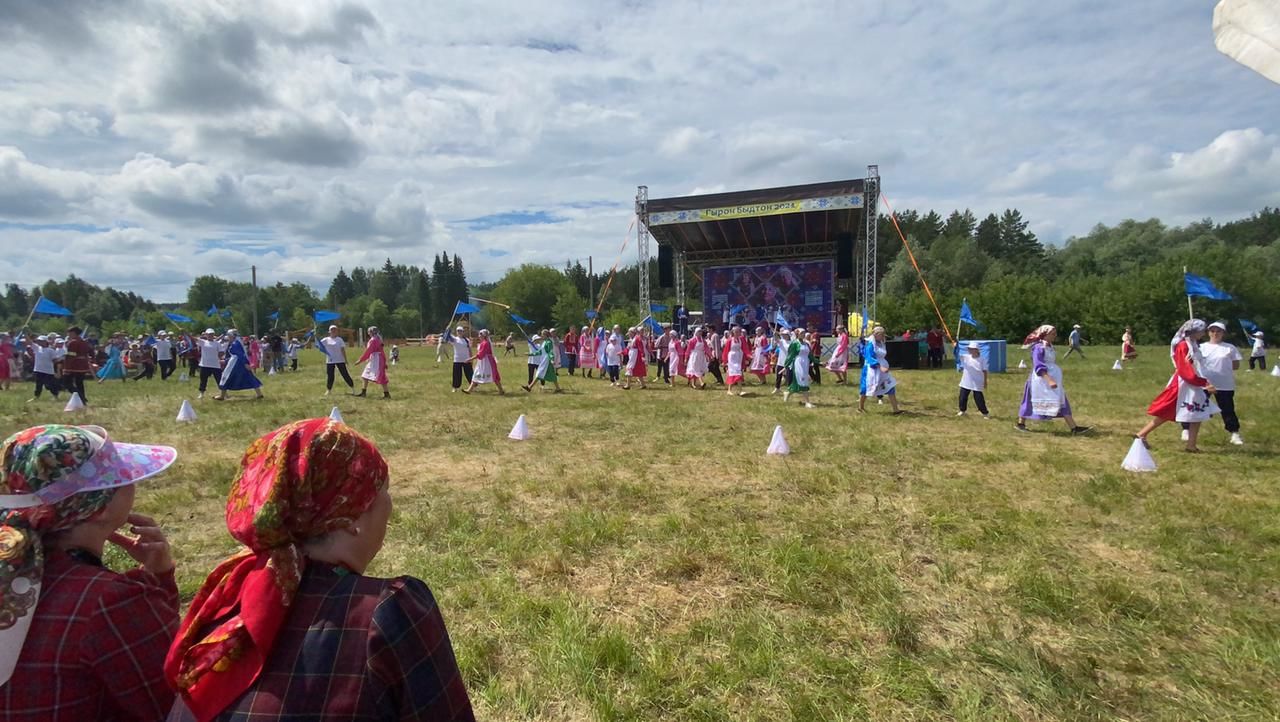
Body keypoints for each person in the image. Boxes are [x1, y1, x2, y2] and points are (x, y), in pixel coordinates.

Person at [164, 419, 474, 721]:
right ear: (351, 515)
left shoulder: (228, 598)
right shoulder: (387, 612)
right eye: (383, 490)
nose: (389, 505)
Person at [0, 423, 179, 721]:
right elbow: (176, 699)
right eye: (124, 479)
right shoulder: (109, 600)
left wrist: (158, 577)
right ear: (100, 508)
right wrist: (160, 580)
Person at [1135, 320, 1216, 452]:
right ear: (1195, 331)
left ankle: (1191, 445)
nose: (1203, 333)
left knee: (1197, 413)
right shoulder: (1183, 346)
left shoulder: (1192, 344)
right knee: (1171, 410)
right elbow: (1185, 370)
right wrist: (1203, 383)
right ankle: (1141, 435)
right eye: (1202, 330)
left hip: (1193, 383)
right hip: (1186, 384)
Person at [1016, 325, 1090, 434]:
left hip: (1053, 379)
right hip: (1040, 380)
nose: (1055, 336)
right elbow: (1038, 365)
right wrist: (1049, 379)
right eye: (1053, 334)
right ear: (1045, 334)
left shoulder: (1049, 346)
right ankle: (1021, 423)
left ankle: (1074, 428)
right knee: (1029, 400)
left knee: (1061, 400)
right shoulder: (1038, 347)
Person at [1188, 321, 1244, 445]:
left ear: (1223, 333)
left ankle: (1234, 433)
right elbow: (1192, 362)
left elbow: (1236, 365)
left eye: (1218, 331)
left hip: (1224, 385)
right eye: (1212, 331)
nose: (1215, 333)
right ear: (1208, 333)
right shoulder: (1200, 347)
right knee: (1195, 407)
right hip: (1204, 384)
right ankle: (1186, 429)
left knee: (1227, 409)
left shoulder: (1229, 348)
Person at [859, 326, 902, 414]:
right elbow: (869, 357)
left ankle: (896, 410)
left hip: (883, 369)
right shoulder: (870, 344)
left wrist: (884, 366)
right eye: (882, 335)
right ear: (877, 334)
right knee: (866, 389)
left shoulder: (881, 343)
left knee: (890, 386)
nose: (883, 337)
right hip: (872, 369)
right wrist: (879, 366)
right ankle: (860, 407)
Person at [216, 330, 264, 401]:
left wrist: (245, 363)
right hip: (237, 362)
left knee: (226, 376)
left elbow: (240, 355)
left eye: (229, 335)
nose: (228, 337)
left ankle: (222, 396)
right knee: (249, 376)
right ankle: (259, 394)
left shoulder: (235, 344)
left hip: (236, 363)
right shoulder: (237, 342)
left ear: (232, 336)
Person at [465, 329, 505, 395]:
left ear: (483, 335)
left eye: (480, 335)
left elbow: (481, 354)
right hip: (482, 362)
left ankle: (501, 390)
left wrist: (470, 359)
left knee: (494, 376)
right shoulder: (483, 343)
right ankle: (469, 390)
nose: (479, 336)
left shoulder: (485, 343)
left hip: (487, 362)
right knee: (476, 374)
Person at [957, 341, 991, 418]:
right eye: (969, 349)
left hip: (977, 381)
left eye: (972, 349)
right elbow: (957, 354)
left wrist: (985, 382)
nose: (970, 350)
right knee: (962, 397)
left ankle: (985, 413)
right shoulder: (965, 357)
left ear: (977, 350)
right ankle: (962, 410)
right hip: (966, 381)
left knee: (978, 398)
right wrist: (955, 346)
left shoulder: (982, 359)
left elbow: (985, 371)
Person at [355, 325, 390, 398]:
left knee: (381, 376)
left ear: (370, 332)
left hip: (376, 360)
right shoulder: (377, 339)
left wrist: (360, 360)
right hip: (375, 359)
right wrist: (384, 361)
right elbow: (381, 351)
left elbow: (368, 351)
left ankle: (386, 394)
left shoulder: (373, 340)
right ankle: (363, 392)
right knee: (365, 375)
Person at [319, 325, 355, 396]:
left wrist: (345, 359)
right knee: (330, 376)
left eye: (335, 330)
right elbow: (319, 344)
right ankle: (329, 390)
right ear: (329, 331)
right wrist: (315, 335)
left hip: (340, 360)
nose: (334, 331)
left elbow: (342, 350)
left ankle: (352, 388)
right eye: (332, 330)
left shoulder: (339, 339)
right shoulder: (326, 339)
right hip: (330, 360)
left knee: (345, 374)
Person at [61, 326, 93, 404]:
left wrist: (66, 368)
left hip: (74, 365)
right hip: (83, 365)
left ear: (74, 333)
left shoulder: (73, 342)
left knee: (67, 383)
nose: (68, 334)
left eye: (70, 333)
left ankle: (80, 397)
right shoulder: (84, 342)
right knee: (79, 383)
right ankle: (82, 399)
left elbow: (71, 355)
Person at [783, 328, 815, 408]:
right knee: (803, 382)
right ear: (797, 334)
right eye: (802, 333)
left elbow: (810, 355)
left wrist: (818, 362)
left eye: (804, 333)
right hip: (798, 363)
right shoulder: (794, 343)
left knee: (800, 382)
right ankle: (807, 402)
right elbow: (791, 355)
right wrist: (786, 366)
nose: (803, 334)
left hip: (805, 363)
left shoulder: (806, 344)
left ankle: (788, 393)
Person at [26, 335, 62, 402]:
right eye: (38, 341)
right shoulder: (37, 348)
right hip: (38, 370)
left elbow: (55, 361)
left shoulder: (50, 350)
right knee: (38, 384)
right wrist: (26, 333)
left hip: (48, 371)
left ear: (45, 342)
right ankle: (36, 396)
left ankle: (55, 396)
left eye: (41, 341)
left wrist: (57, 369)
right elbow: (29, 342)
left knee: (50, 385)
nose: (39, 342)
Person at [196, 329, 225, 400]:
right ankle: (201, 393)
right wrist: (185, 332)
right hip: (204, 365)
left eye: (211, 334)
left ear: (213, 335)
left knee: (219, 380)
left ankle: (223, 393)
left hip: (215, 365)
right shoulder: (203, 342)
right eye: (209, 334)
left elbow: (221, 352)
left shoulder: (217, 343)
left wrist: (218, 357)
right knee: (203, 380)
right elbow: (192, 338)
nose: (210, 335)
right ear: (206, 335)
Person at [444, 326, 473, 392]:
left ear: (463, 332)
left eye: (461, 331)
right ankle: (455, 387)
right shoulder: (454, 339)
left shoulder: (467, 340)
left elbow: (469, 349)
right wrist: (447, 330)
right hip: (457, 360)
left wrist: (471, 358)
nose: (459, 332)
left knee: (469, 374)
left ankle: (472, 386)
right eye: (458, 331)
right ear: (456, 332)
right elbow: (446, 337)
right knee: (457, 374)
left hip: (466, 359)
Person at [722, 326, 748, 396]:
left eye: (738, 331)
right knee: (733, 372)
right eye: (736, 332)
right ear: (733, 332)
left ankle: (737, 390)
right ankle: (735, 390)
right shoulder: (730, 340)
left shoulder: (741, 339)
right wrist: (724, 361)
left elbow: (745, 348)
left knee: (738, 373)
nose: (737, 333)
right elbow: (726, 350)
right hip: (732, 357)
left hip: (738, 357)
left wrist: (748, 355)